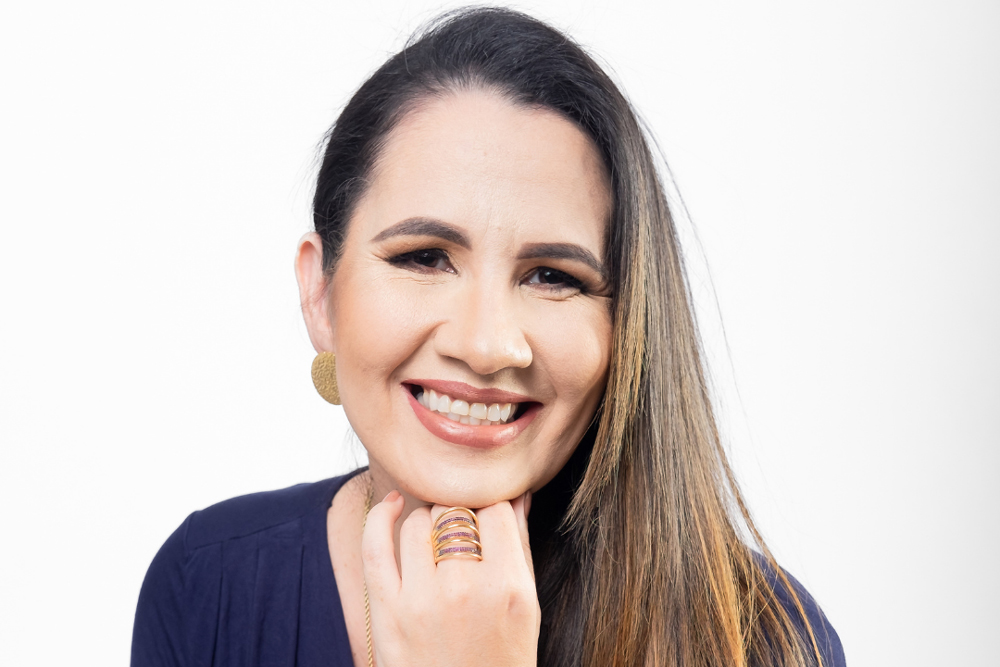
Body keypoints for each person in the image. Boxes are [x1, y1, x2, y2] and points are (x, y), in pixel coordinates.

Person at [131, 7, 845, 667]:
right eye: (424, 258)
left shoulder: (765, 640)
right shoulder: (205, 584)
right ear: (320, 293)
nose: (485, 344)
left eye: (552, 276)